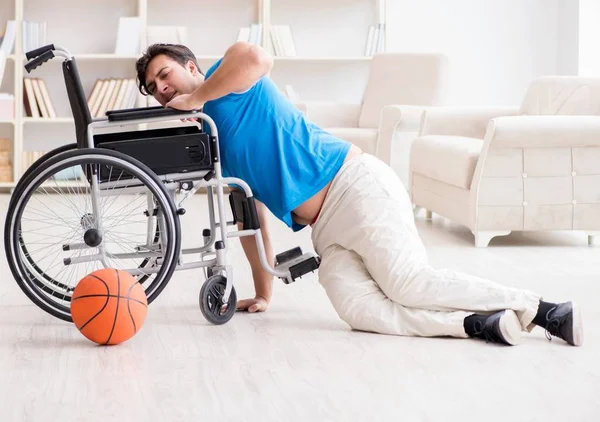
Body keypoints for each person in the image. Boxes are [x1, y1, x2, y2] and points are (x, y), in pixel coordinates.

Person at [135, 41, 583, 347]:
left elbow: (256, 56)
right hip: (325, 228)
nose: (162, 88)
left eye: (164, 74)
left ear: (190, 66)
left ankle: (545, 310)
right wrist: (264, 290)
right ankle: (477, 324)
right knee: (359, 310)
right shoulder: (215, 139)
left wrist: (199, 99)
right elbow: (249, 217)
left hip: (356, 185)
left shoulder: (229, 76)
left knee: (408, 284)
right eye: (155, 89)